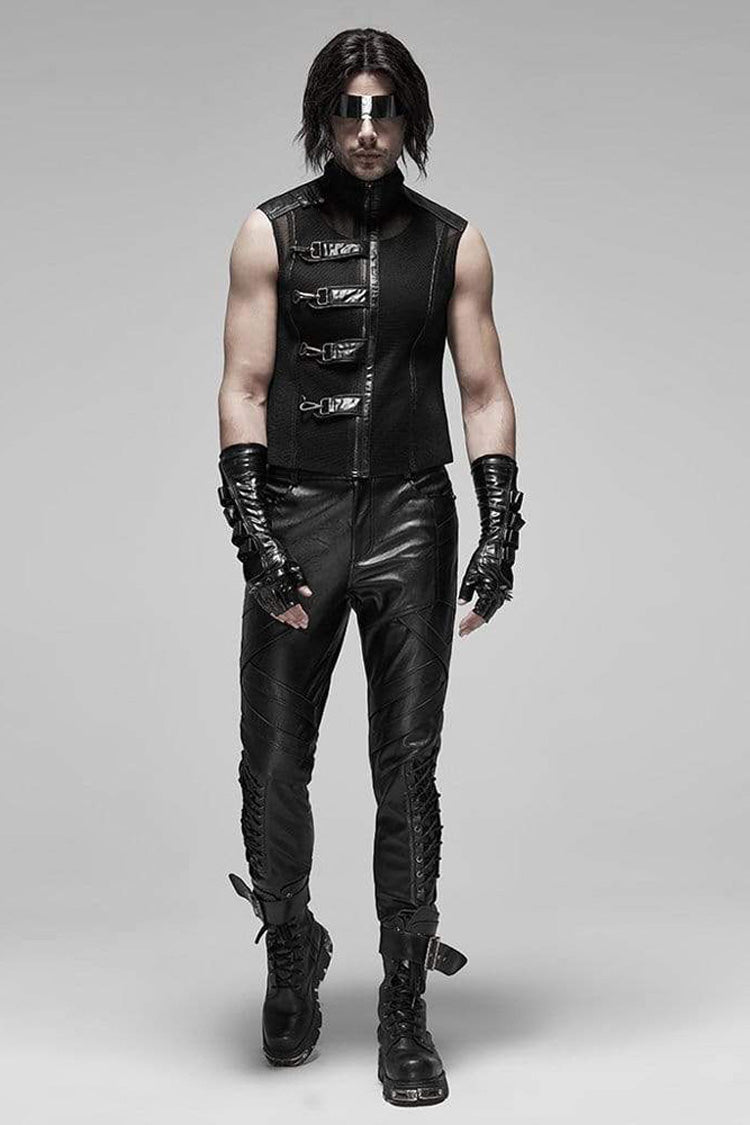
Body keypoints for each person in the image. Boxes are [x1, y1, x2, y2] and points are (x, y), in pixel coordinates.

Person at [216, 27, 525, 1107]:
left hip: (409, 513)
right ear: (323, 117)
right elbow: (244, 384)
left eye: (382, 108)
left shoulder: (453, 244)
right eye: (347, 109)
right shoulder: (269, 232)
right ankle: (291, 947)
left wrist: (500, 524)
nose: (364, 129)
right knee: (272, 760)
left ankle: (403, 1001)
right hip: (298, 508)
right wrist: (253, 530)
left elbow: (483, 391)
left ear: (409, 119)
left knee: (407, 766)